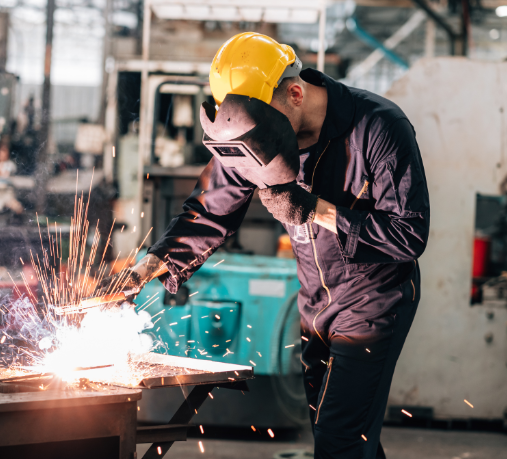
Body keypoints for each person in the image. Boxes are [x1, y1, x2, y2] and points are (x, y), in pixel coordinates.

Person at [100, 33, 430, 459]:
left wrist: (315, 210)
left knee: (340, 439)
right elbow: (210, 211)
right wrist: (144, 269)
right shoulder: (254, 132)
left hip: (374, 301)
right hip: (315, 302)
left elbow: (409, 233)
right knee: (343, 434)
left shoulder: (379, 127)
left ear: (295, 94)